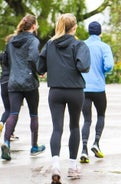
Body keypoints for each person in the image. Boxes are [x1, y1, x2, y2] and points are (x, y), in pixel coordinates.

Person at [37, 13, 90, 183]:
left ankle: (55, 164)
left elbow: (39, 67)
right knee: (74, 126)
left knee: (57, 128)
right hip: (75, 91)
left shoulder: (50, 44)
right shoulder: (79, 44)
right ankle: (73, 167)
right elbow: (84, 66)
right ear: (74, 27)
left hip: (55, 92)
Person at [1, 14, 45, 161]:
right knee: (33, 114)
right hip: (29, 82)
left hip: (13, 81)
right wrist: (39, 71)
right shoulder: (33, 40)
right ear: (33, 26)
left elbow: (5, 60)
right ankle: (34, 147)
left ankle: (6, 142)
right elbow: (33, 58)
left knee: (13, 113)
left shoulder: (11, 41)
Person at [80, 21, 114, 163]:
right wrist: (103, 72)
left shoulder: (81, 45)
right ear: (100, 32)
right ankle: (96, 143)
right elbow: (109, 65)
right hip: (99, 88)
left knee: (87, 119)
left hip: (83, 88)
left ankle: (84, 149)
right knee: (101, 115)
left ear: (88, 31)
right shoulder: (104, 47)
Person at [0, 34, 19, 141]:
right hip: (12, 83)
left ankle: (1, 123)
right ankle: (10, 133)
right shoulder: (15, 56)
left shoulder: (3, 54)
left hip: (3, 83)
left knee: (7, 109)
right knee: (14, 111)